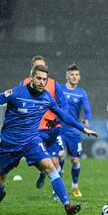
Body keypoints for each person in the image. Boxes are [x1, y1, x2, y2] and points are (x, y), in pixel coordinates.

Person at [0, 65, 98, 215]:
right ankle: (0, 194)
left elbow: (62, 115)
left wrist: (83, 128)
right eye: (39, 78)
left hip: (31, 142)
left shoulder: (47, 98)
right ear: (31, 78)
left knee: (51, 167)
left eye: (44, 79)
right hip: (9, 145)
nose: (42, 82)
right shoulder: (16, 93)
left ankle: (67, 206)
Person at [22, 55, 65, 189]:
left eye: (42, 66)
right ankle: (42, 170)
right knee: (34, 158)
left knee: (55, 160)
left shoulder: (53, 84)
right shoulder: (23, 84)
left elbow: (64, 105)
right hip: (34, 129)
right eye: (36, 66)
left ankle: (57, 194)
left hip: (52, 128)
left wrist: (57, 119)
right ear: (32, 70)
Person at [58, 64, 92, 198]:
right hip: (59, 128)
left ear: (79, 77)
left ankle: (75, 186)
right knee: (59, 155)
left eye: (77, 75)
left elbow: (88, 110)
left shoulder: (81, 92)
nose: (74, 77)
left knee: (74, 161)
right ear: (67, 76)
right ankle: (57, 187)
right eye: (72, 74)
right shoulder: (59, 89)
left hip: (74, 130)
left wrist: (87, 119)